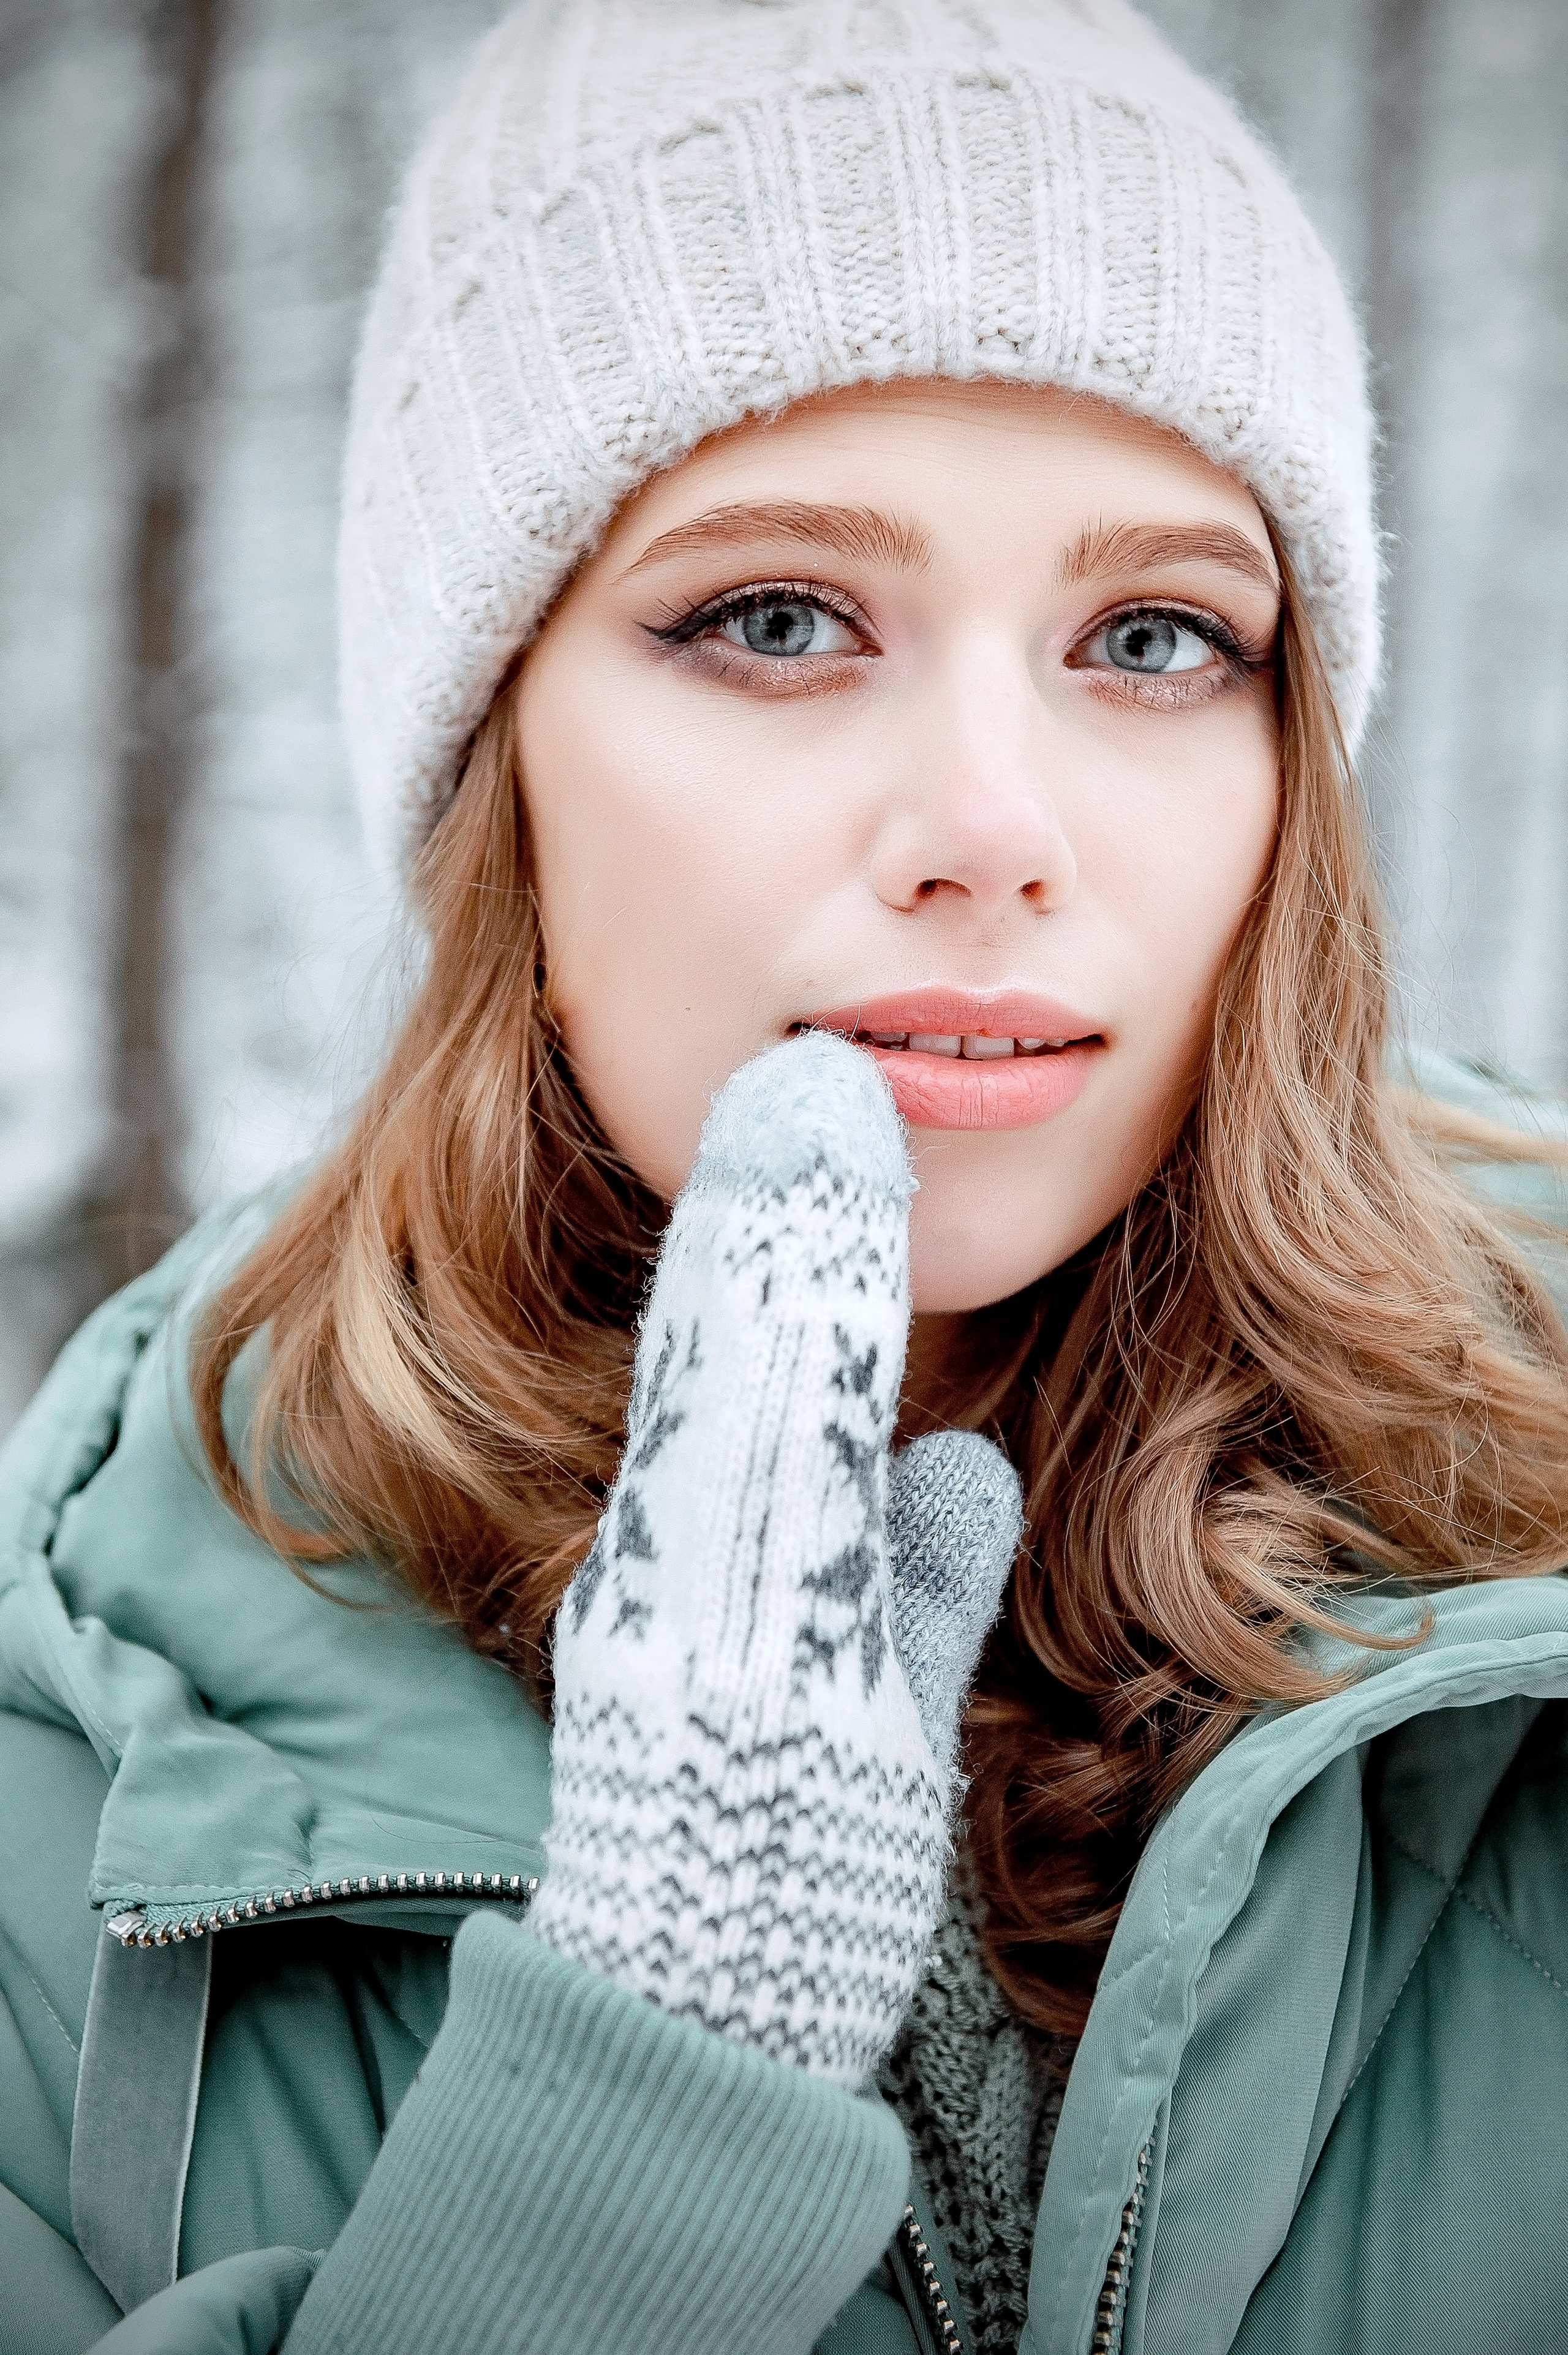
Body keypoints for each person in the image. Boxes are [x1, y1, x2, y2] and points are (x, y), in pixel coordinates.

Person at [6, 2, 1568, 2349]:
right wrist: (630, 2138)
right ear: (490, 772)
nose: (993, 827)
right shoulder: (70, 1835)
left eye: (1152, 637)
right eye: (773, 619)